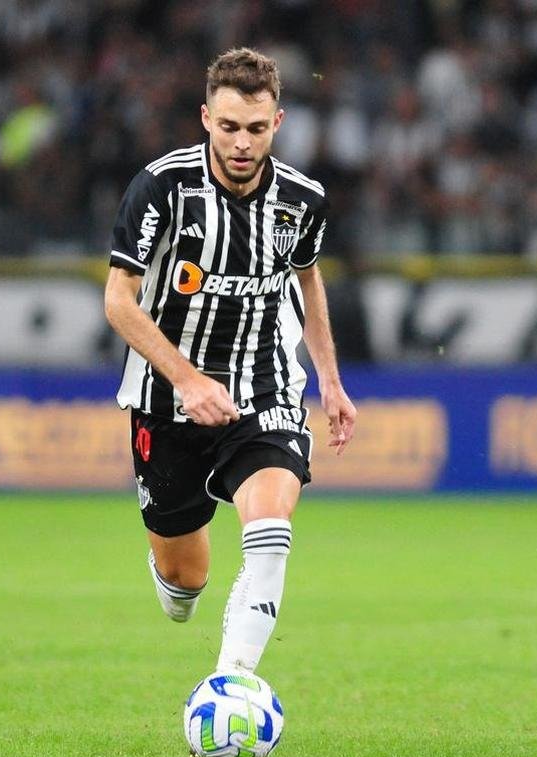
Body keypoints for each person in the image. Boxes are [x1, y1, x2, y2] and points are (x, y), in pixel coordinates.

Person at [104, 47, 357, 677]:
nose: (241, 143)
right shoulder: (162, 188)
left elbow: (308, 279)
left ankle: (232, 683)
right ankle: (176, 578)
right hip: (167, 401)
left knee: (270, 530)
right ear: (205, 119)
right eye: (228, 127)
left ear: (278, 122)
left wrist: (329, 378)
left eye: (255, 127)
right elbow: (118, 302)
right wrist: (187, 380)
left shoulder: (302, 200)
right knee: (183, 583)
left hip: (265, 389)